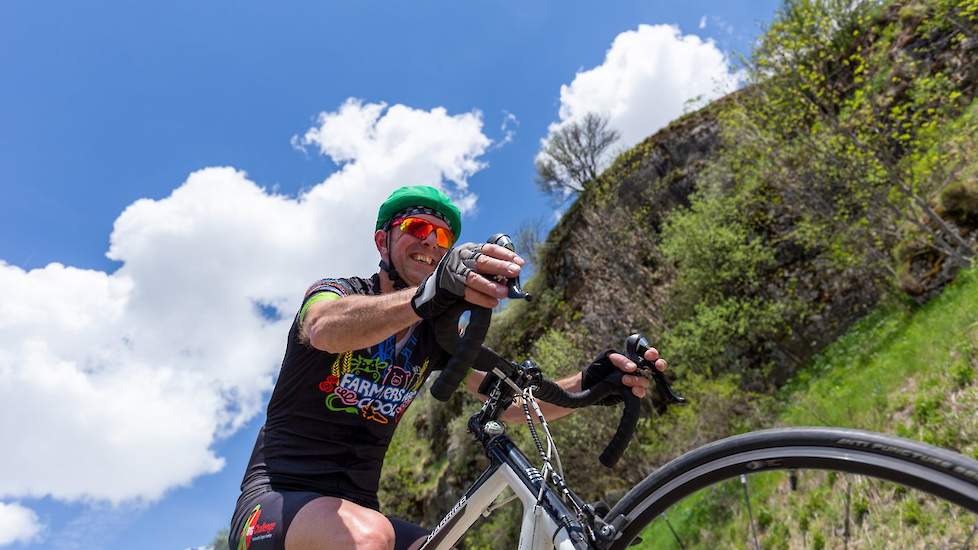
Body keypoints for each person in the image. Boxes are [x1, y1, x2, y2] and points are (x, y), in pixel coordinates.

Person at [228, 185, 666, 550]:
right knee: (369, 536)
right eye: (417, 228)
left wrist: (589, 386)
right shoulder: (338, 294)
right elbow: (322, 327)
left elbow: (511, 404)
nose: (430, 243)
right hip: (276, 502)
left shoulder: (432, 337)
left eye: (442, 239)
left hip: (359, 509)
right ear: (383, 241)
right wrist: (425, 297)